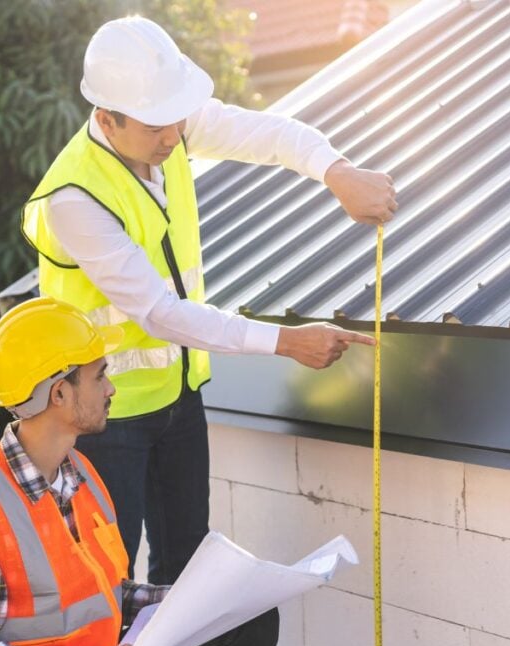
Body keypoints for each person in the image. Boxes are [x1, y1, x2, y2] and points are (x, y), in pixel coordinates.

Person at [20, 16, 398, 584]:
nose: (173, 138)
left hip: (179, 397)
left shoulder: (165, 122)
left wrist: (337, 172)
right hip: (105, 414)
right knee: (108, 581)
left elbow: (271, 134)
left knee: (186, 572)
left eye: (176, 120)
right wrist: (285, 341)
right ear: (107, 119)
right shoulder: (73, 199)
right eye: (156, 128)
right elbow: (159, 311)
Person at [0, 297, 278, 646]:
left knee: (246, 619)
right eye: (100, 375)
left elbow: (106, 598)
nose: (111, 389)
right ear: (59, 393)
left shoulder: (80, 476)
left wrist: (193, 600)